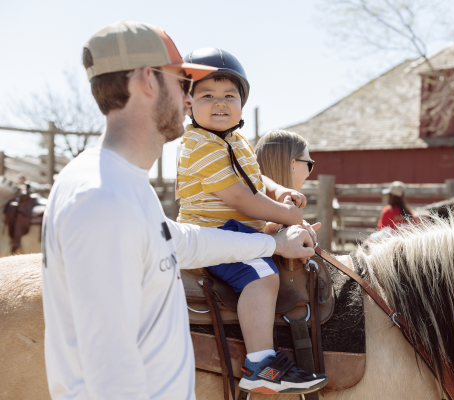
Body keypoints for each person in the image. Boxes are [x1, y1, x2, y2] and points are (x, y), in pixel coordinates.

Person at [42, 21, 315, 400]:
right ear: (146, 81)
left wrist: (274, 245)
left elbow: (181, 241)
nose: (189, 99)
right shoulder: (101, 198)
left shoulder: (124, 185)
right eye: (182, 83)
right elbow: (109, 365)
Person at [176, 49, 327, 394]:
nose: (220, 103)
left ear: (241, 104)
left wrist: (281, 191)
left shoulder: (235, 139)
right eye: (207, 96)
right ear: (188, 103)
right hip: (211, 233)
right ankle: (260, 362)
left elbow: (257, 181)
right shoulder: (198, 144)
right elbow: (241, 198)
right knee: (262, 275)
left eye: (230, 95)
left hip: (237, 230)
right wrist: (286, 214)